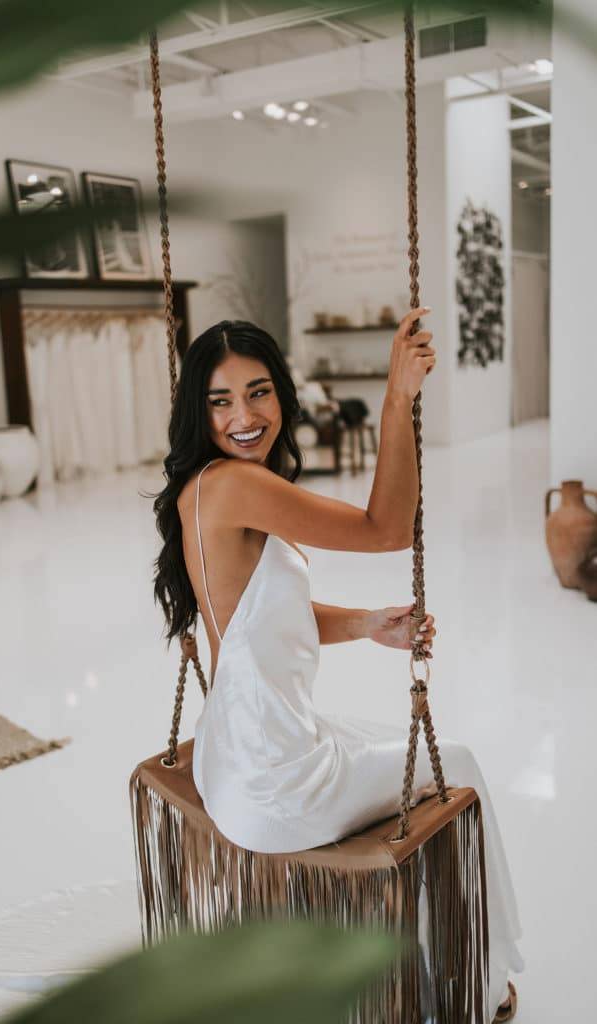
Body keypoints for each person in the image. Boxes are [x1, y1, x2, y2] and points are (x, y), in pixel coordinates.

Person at [152, 313, 522, 1022]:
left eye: (258, 393)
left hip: (237, 756)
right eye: (220, 400)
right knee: (463, 765)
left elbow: (254, 620)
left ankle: (415, 956)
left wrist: (363, 624)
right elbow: (386, 528)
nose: (243, 416)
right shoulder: (233, 486)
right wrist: (396, 398)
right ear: (197, 411)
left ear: (284, 396)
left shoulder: (205, 487)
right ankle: (482, 974)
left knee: (365, 739)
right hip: (274, 782)